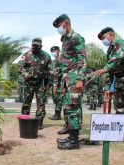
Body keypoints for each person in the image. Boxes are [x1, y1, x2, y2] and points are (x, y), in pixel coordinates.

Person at [52, 14, 87, 149]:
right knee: (69, 107)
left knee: (73, 108)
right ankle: (71, 136)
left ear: (66, 23)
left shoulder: (76, 37)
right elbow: (63, 62)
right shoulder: (65, 39)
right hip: (67, 79)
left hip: (74, 78)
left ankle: (73, 141)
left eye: (59, 26)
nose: (58, 29)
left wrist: (79, 79)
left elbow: (82, 59)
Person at [18, 38, 51, 130]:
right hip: (28, 83)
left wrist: (49, 82)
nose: (35, 47)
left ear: (41, 46)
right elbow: (20, 66)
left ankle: (39, 122)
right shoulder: (26, 55)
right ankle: (25, 120)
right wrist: (25, 73)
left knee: (41, 103)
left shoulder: (46, 56)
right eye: (33, 45)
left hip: (40, 83)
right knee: (26, 103)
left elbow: (51, 70)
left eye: (37, 45)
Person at [48, 46, 63, 120]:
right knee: (57, 99)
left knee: (58, 99)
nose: (53, 53)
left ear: (58, 51)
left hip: (60, 83)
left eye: (54, 51)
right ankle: (57, 114)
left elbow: (57, 74)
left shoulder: (60, 59)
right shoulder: (56, 60)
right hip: (56, 82)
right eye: (52, 52)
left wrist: (55, 85)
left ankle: (57, 115)